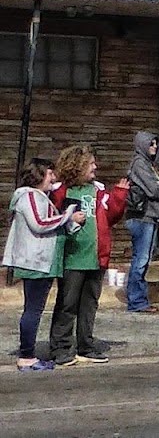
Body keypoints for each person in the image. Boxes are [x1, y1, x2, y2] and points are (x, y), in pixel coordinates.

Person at [46, 145, 127, 366]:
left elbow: (112, 216)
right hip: (72, 257)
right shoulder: (61, 191)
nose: (95, 166)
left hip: (96, 257)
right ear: (78, 165)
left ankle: (86, 345)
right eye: (91, 163)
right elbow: (51, 217)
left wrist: (119, 195)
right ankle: (60, 347)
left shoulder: (98, 190)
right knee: (67, 303)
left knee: (89, 304)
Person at [5, 158, 83, 372]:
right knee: (33, 310)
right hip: (35, 261)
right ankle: (26, 356)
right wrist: (67, 215)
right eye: (50, 173)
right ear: (38, 175)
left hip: (44, 262)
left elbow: (51, 225)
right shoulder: (28, 195)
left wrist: (70, 223)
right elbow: (39, 224)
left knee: (35, 309)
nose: (53, 178)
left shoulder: (41, 197)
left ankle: (27, 354)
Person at [125, 130, 159, 313]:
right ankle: (136, 301)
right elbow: (154, 190)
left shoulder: (151, 165)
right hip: (141, 217)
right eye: (151, 144)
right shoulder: (139, 164)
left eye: (156, 143)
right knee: (140, 260)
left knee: (144, 259)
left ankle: (139, 300)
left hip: (150, 216)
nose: (155, 147)